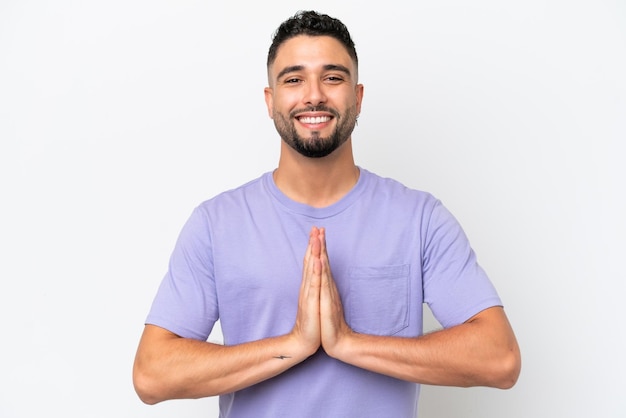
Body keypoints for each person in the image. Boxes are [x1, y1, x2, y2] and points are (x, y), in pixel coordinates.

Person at [133, 10, 521, 417]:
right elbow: (152, 374)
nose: (314, 95)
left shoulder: (419, 219)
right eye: (294, 79)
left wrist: (349, 343)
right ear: (270, 100)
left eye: (333, 77)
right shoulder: (216, 224)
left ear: (357, 97)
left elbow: (500, 358)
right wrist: (295, 344)